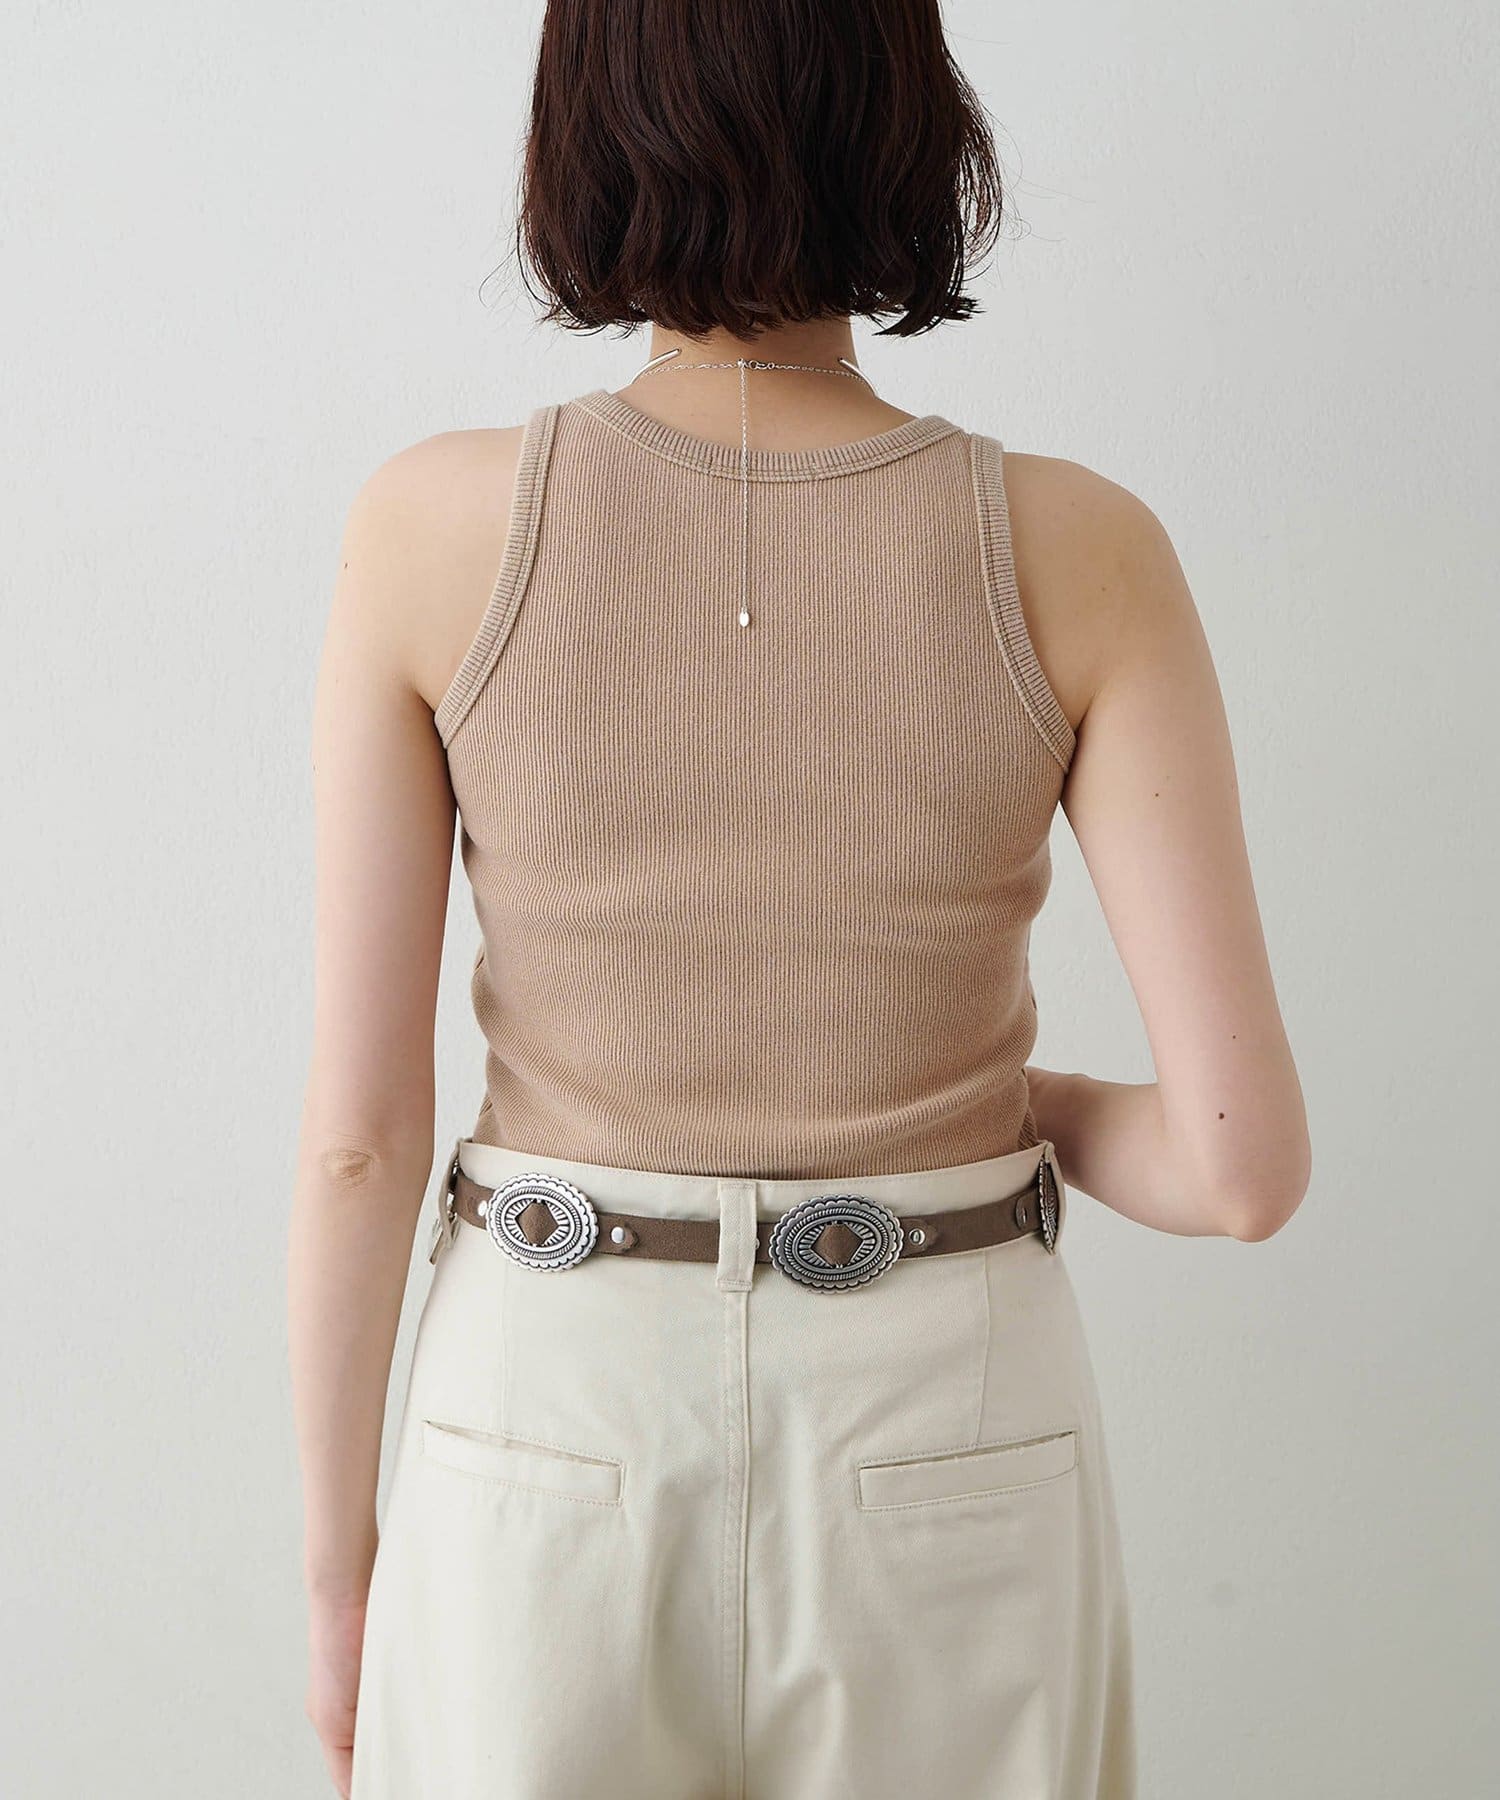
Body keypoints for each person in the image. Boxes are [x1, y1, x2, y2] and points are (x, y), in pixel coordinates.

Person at [288, 2, 1311, 1795]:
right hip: (952, 1412)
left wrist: (337, 1569)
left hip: (545, 1411)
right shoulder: (1083, 550)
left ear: (585, 130)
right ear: (909, 119)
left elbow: (365, 1146)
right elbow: (1239, 1171)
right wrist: (1026, 1102)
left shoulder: (432, 528)